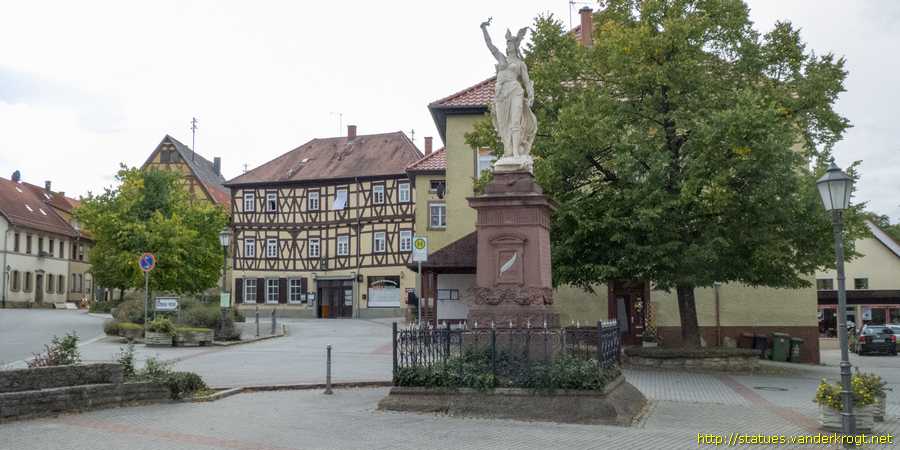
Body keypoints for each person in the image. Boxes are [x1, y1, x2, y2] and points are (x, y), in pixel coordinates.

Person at [480, 18, 537, 162]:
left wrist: (531, 95)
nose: (509, 45)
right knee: (503, 124)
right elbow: (490, 45)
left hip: (515, 90)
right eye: (507, 43)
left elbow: (526, 81)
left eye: (511, 43)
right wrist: (484, 29)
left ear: (516, 45)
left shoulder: (520, 63)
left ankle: (517, 153)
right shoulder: (501, 58)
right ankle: (508, 150)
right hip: (501, 94)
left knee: (515, 121)